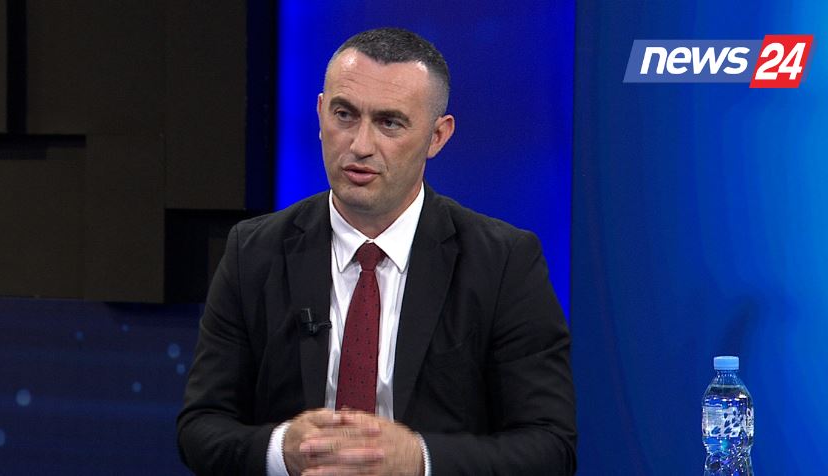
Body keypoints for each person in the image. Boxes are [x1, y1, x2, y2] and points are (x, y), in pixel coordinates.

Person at [177, 27, 576, 475]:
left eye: (389, 123)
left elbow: (549, 446)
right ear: (320, 112)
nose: (360, 146)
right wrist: (282, 449)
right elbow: (200, 427)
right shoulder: (253, 252)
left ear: (437, 136)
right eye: (344, 115)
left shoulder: (503, 263)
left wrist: (419, 460)